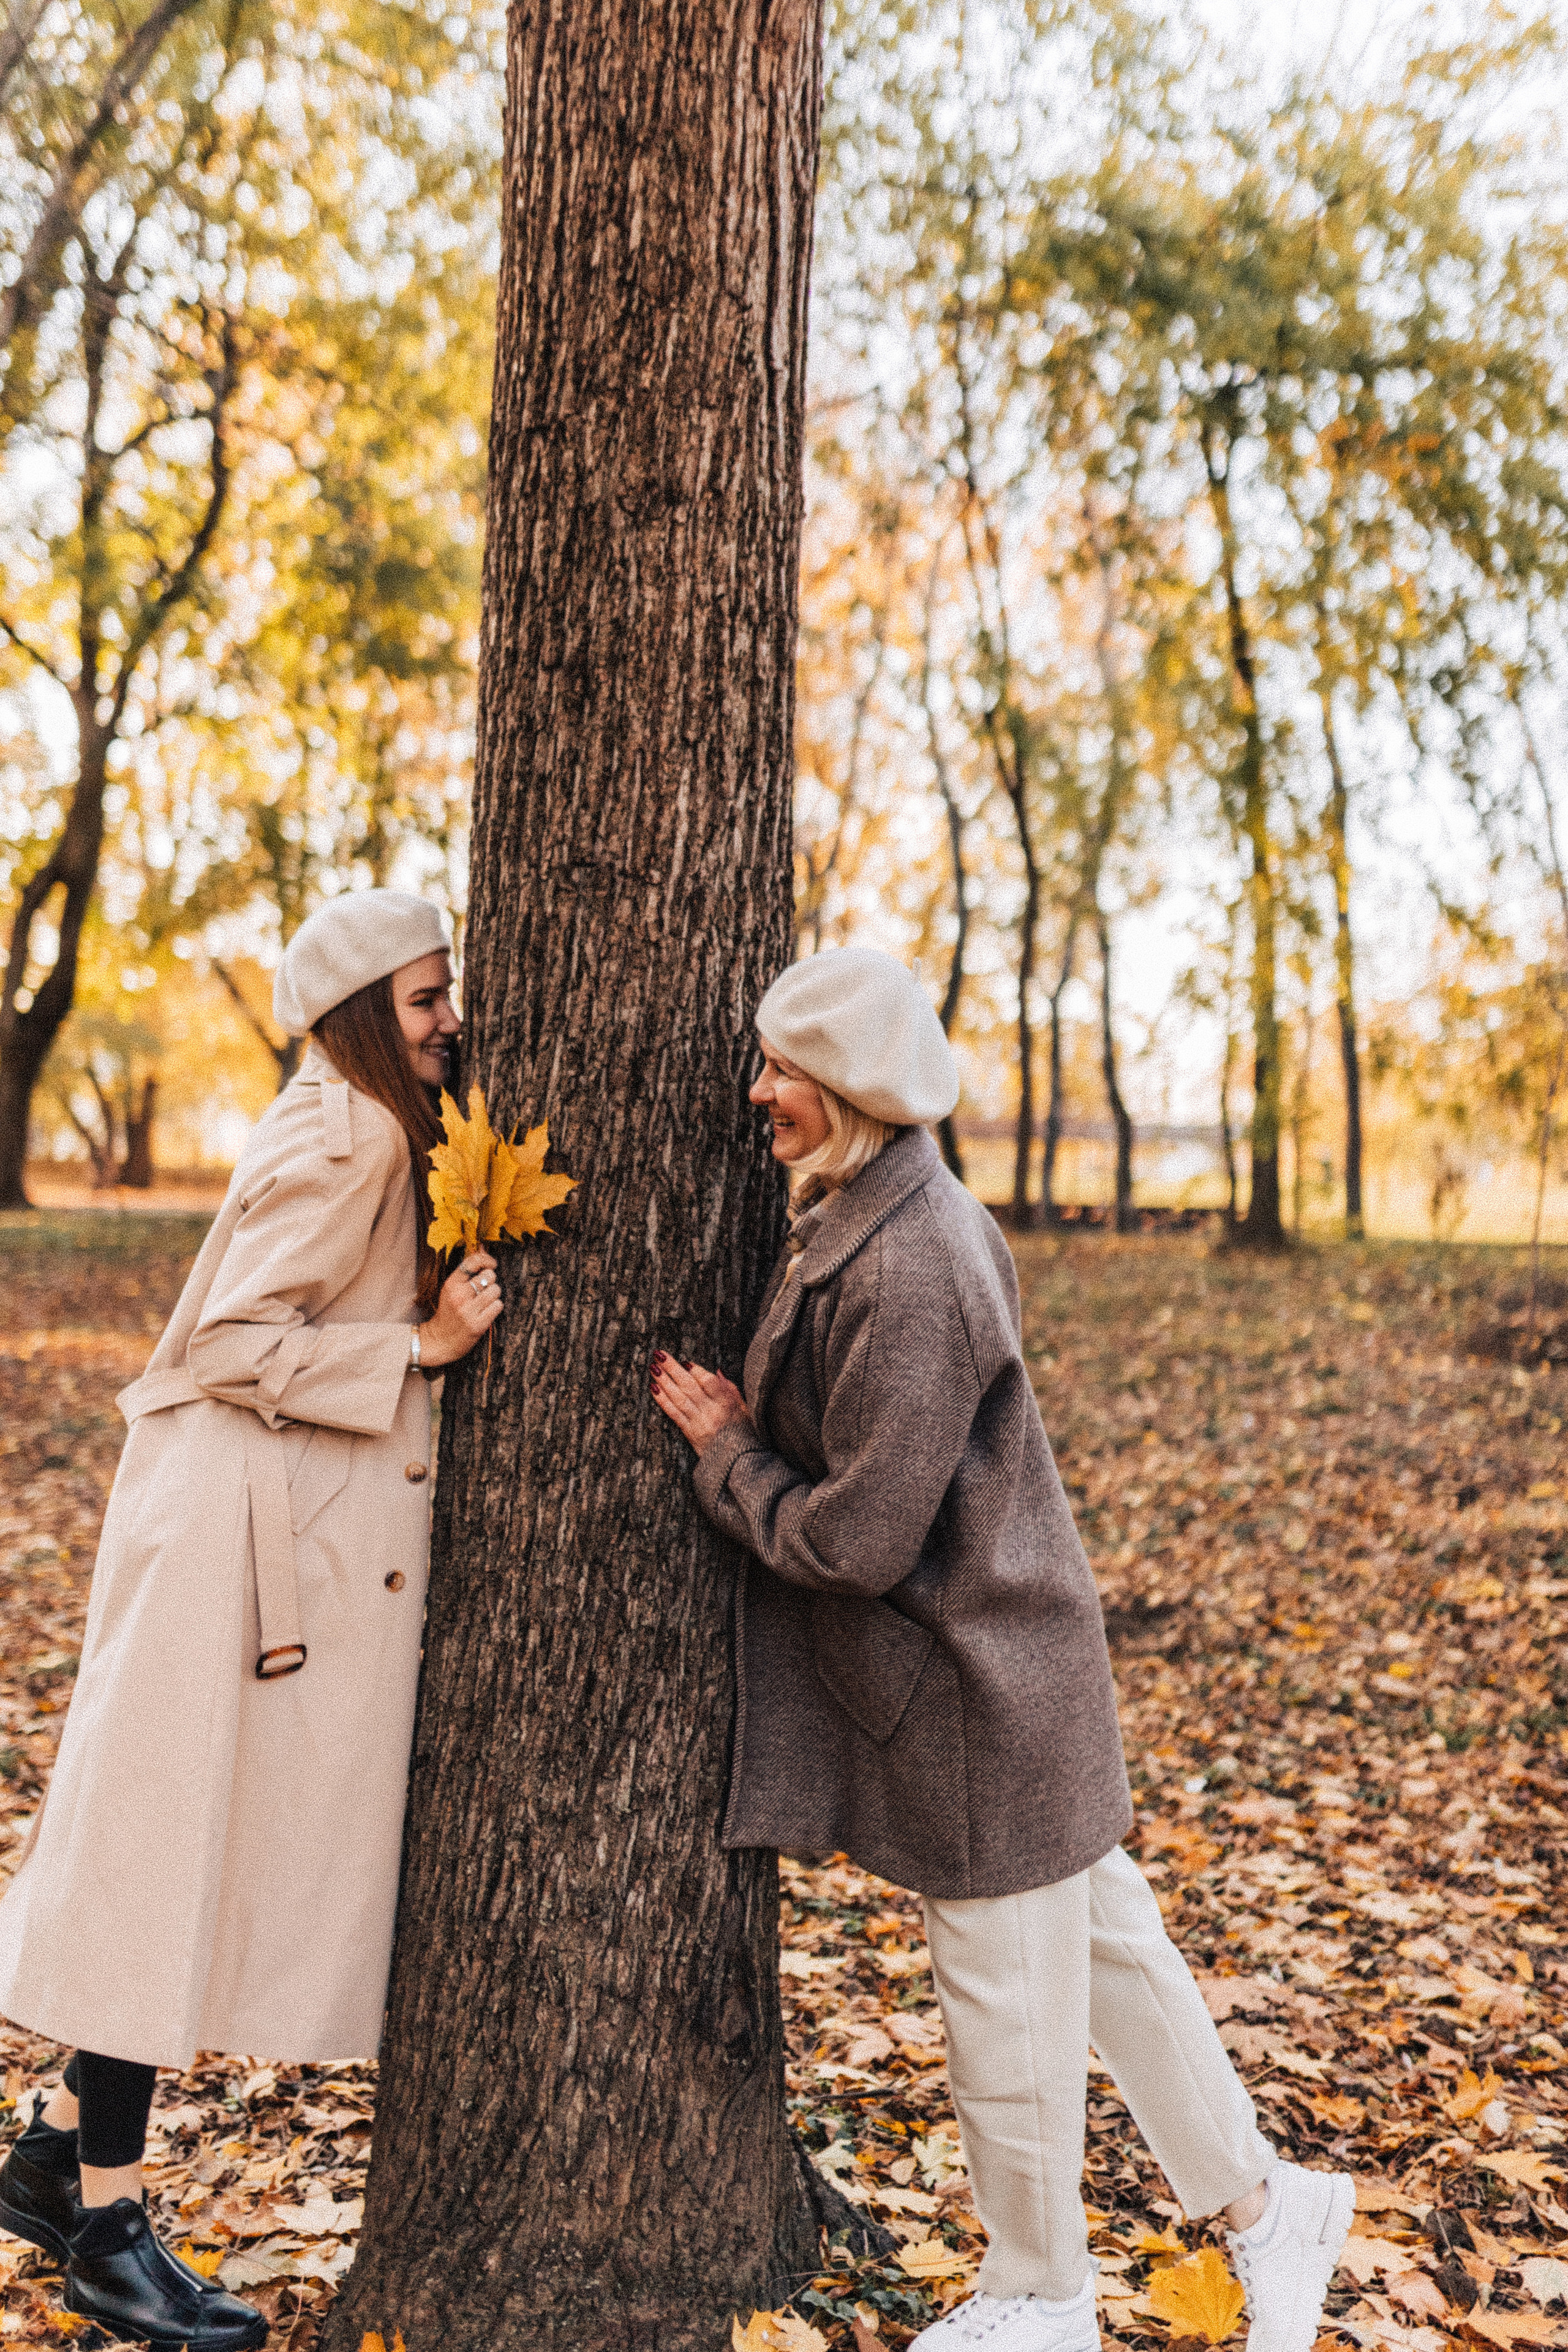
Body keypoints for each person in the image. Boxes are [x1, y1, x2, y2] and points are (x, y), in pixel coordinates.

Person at [652, 945, 1353, 2352]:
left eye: (781, 1068)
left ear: (846, 1086)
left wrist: (726, 1457)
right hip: (1003, 1662)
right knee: (1107, 1955)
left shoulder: (913, 1263)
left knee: (1004, 2004)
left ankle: (1041, 2298)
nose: (756, 1091)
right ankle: (1272, 2212)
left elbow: (857, 1539)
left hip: (978, 1687)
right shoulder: (868, 1211)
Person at [0, 891, 503, 2351]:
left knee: (172, 1854)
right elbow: (227, 1338)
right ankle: (109, 2233)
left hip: (241, 1535)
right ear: (362, 1012)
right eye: (423, 999)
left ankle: (42, 2157)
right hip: (222, 1543)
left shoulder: (361, 1112)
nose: (448, 1018)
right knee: (153, 1873)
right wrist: (419, 1343)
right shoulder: (345, 1125)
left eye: (443, 991)